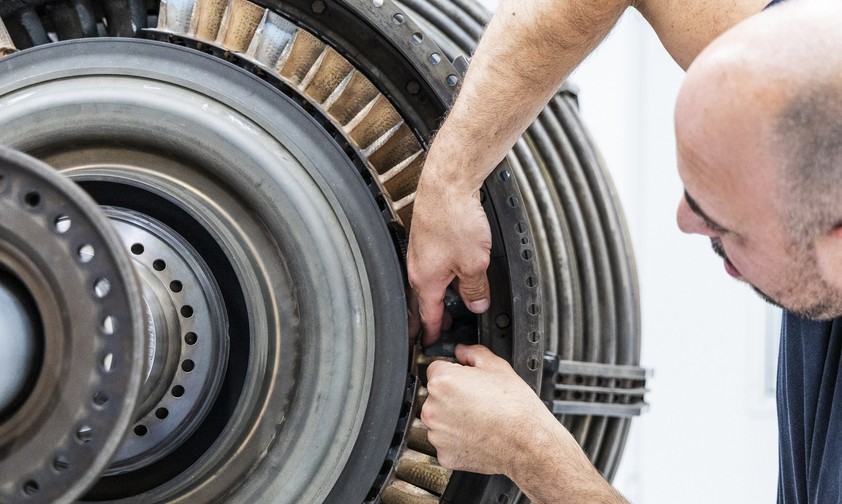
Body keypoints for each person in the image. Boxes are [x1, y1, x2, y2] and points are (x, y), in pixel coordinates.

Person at [410, 0, 842, 502]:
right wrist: (449, 180)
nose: (683, 221)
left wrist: (527, 451)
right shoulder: (810, 71)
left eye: (722, 221)